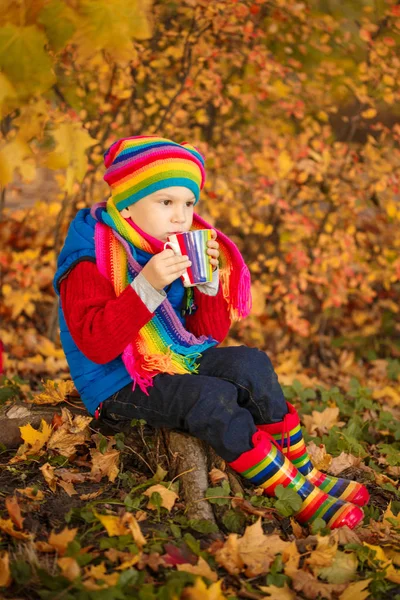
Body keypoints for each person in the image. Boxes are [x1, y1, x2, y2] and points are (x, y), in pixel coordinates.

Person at [54, 135, 368, 529]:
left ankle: (301, 472)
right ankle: (294, 493)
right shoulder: (90, 255)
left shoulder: (170, 245)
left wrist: (207, 286)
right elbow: (97, 346)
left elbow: (207, 335)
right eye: (165, 202)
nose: (180, 216)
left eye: (188, 203)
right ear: (128, 204)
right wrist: (147, 286)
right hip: (115, 381)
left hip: (171, 358)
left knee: (251, 363)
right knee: (211, 397)